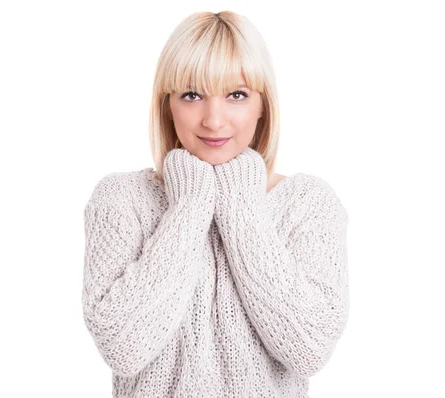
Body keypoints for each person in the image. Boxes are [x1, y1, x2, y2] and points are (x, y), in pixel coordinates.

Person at [82, 10, 350, 397]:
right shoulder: (121, 200)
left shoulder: (308, 205)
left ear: (263, 106)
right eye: (192, 95)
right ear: (167, 105)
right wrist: (189, 204)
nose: (213, 119)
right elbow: (123, 345)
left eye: (236, 95)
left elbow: (308, 347)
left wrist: (239, 204)